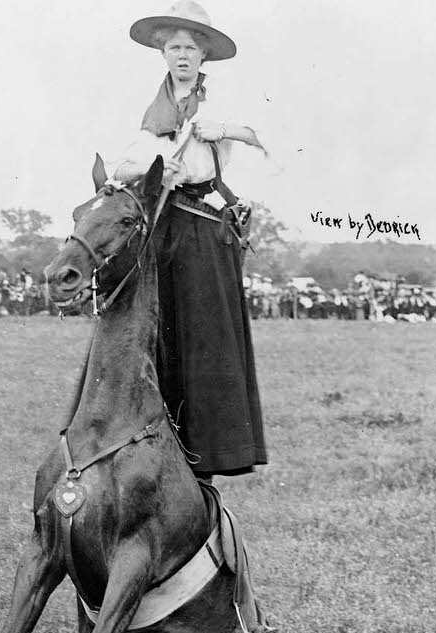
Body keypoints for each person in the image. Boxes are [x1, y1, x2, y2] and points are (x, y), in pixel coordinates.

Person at [109, 0, 268, 481]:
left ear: (203, 56)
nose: (182, 55)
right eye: (174, 47)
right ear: (163, 53)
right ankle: (154, 446)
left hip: (204, 229)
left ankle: (211, 456)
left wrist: (222, 130)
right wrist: (158, 170)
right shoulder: (152, 111)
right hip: (165, 229)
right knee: (158, 336)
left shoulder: (217, 103)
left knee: (206, 341)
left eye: (190, 48)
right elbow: (122, 168)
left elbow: (260, 138)